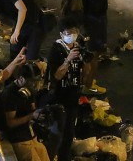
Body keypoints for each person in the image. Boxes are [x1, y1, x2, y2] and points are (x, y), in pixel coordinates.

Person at [46, 19, 87, 161]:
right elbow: (56, 76)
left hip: (73, 97)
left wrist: (85, 59)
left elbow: (84, 74)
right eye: (69, 33)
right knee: (57, 133)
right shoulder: (56, 49)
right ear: (61, 34)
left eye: (75, 32)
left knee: (69, 133)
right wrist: (67, 60)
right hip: (59, 98)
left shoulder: (77, 47)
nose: (72, 35)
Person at [0, 62, 50, 161]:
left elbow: (33, 109)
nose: (34, 85)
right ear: (21, 79)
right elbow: (10, 123)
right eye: (32, 82)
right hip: (19, 140)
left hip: (31, 135)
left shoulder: (29, 90)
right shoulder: (10, 95)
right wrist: (31, 116)